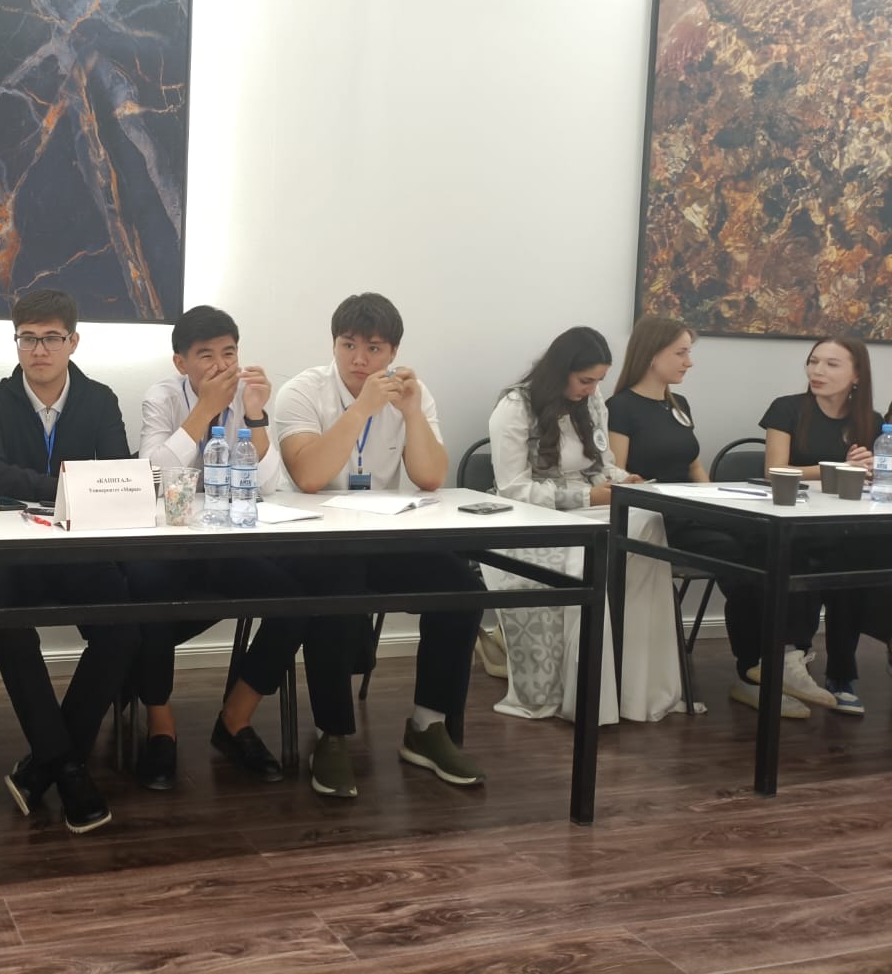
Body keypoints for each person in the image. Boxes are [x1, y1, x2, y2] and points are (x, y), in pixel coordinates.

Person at [277, 292, 486, 795]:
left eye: (373, 348)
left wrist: (412, 413)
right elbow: (309, 477)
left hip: (383, 536)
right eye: (348, 345)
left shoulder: (413, 394)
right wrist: (361, 410)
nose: (359, 359)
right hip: (314, 543)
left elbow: (431, 478)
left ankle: (427, 726)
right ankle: (332, 735)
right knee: (338, 588)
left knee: (461, 588)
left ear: (392, 353)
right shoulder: (301, 391)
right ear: (333, 344)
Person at [0, 289, 139, 833]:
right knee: (7, 627)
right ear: (16, 341)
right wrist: (67, 485)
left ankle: (49, 762)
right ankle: (69, 768)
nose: (38, 350)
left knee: (123, 627)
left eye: (50, 338)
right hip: (8, 549)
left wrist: (62, 488)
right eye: (27, 338)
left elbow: (115, 472)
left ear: (73, 341)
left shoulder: (100, 399)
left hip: (77, 548)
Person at [129, 306, 305, 790]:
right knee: (147, 591)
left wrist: (256, 415)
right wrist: (203, 410)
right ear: (181, 362)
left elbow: (268, 486)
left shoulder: (247, 397)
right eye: (206, 355)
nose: (221, 365)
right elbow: (153, 478)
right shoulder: (162, 397)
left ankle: (235, 719)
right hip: (170, 541)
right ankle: (160, 725)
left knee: (296, 601)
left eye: (229, 352)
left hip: (227, 540)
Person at [606, 317, 816, 719]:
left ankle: (777, 660)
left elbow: (694, 466)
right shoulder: (620, 408)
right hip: (656, 519)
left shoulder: (678, 405)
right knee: (738, 559)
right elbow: (618, 476)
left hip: (693, 510)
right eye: (681, 353)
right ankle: (755, 671)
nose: (689, 362)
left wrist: (718, 505)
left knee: (768, 542)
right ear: (652, 356)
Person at [487, 326, 687, 725]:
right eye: (585, 380)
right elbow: (513, 490)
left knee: (648, 522)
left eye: (598, 381)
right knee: (592, 547)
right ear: (560, 371)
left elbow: (601, 465)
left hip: (586, 505)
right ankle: (585, 691)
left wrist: (623, 479)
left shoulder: (592, 403)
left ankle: (636, 684)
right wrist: (587, 497)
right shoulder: (514, 407)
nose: (593, 390)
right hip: (529, 516)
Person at [760, 336, 883, 715]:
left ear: (856, 375)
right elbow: (773, 471)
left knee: (859, 562)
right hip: (794, 522)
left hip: (844, 524)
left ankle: (841, 674)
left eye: (831, 364)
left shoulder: (871, 420)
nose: (817, 371)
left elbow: (872, 479)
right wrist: (837, 467)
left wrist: (870, 469)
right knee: (824, 559)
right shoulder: (787, 408)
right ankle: (797, 655)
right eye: (813, 362)